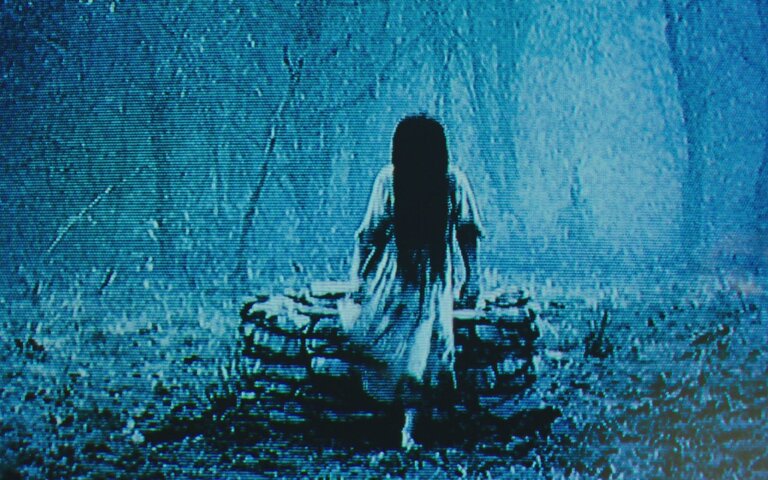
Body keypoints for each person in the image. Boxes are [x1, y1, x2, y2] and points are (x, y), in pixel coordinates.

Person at [347, 115, 483, 449]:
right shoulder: (390, 181)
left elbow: (467, 231)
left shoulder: (451, 182)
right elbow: (368, 235)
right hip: (394, 277)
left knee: (426, 344)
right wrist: (358, 280)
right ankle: (396, 419)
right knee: (392, 343)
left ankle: (412, 425)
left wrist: (472, 278)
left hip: (434, 280)